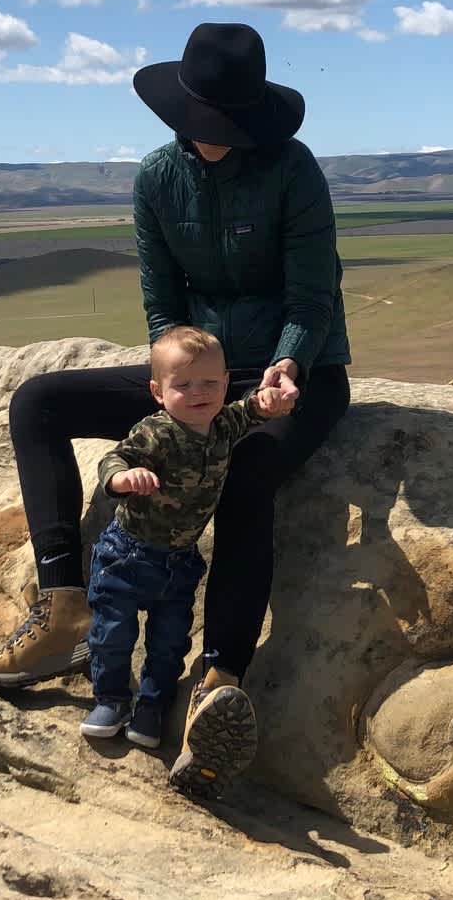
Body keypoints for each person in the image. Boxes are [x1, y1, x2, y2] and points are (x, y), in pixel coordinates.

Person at [0, 21, 353, 799]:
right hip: (196, 377)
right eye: (206, 125)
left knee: (247, 472)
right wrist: (178, 394)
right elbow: (160, 303)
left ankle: (218, 678)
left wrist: (284, 365)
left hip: (293, 371)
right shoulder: (156, 180)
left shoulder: (293, 171)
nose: (215, 140)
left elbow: (312, 293)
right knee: (39, 400)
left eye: (230, 128)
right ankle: (63, 605)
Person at [81, 326, 298, 794]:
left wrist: (269, 404)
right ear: (159, 392)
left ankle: (151, 709)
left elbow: (250, 411)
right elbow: (114, 458)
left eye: (211, 384)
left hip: (178, 563)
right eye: (184, 386)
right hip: (128, 554)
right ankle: (111, 699)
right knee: (112, 633)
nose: (199, 394)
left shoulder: (222, 425)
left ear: (224, 383)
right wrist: (124, 478)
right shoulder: (156, 432)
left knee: (168, 643)